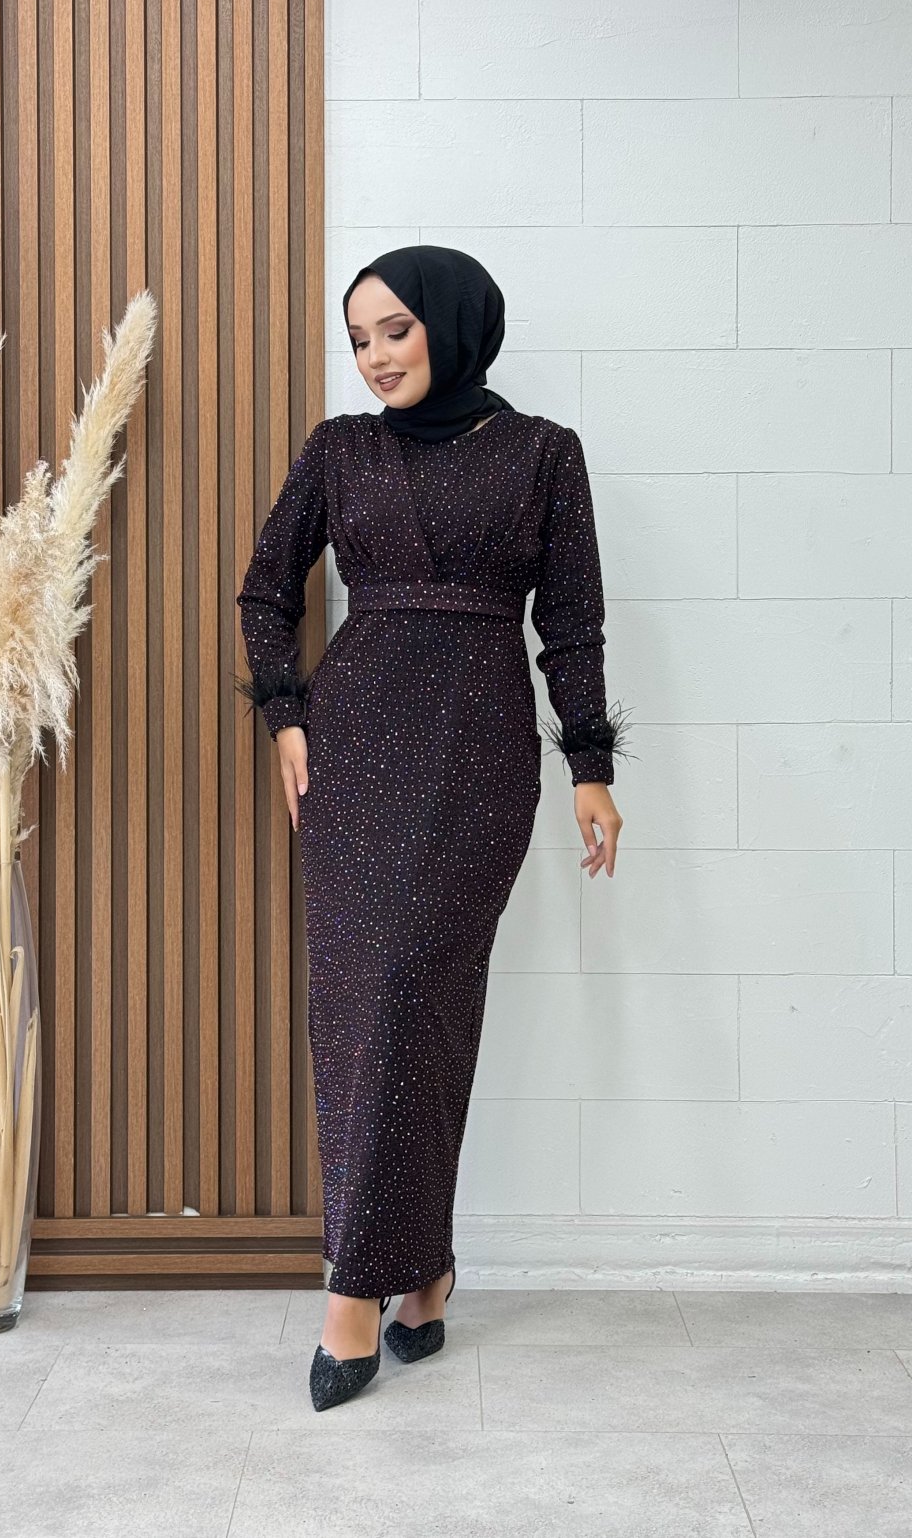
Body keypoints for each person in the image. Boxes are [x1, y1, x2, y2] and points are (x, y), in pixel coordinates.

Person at [235, 244, 630, 1412]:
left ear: (452, 325)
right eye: (358, 337)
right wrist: (285, 714)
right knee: (360, 1010)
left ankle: (358, 1282)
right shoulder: (338, 449)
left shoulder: (542, 452)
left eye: (395, 329)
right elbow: (265, 587)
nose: (374, 356)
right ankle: (416, 1270)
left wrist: (590, 767)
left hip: (478, 753)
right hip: (353, 748)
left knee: (420, 995)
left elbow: (572, 619)